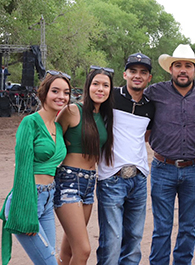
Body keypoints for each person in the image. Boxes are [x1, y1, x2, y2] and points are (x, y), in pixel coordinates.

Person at [144, 44, 195, 264]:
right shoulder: (154, 92)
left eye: (188, 66)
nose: (183, 70)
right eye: (178, 65)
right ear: (170, 69)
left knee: (188, 228)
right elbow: (129, 103)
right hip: (163, 167)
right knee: (162, 228)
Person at [1, 71, 71, 264]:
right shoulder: (29, 122)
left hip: (48, 199)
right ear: (44, 93)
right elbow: (22, 168)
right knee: (49, 262)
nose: (61, 96)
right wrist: (26, 210)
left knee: (50, 259)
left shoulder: (57, 126)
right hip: (27, 199)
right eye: (55, 91)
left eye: (66, 92)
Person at [96, 53, 155, 264]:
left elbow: (145, 136)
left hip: (138, 179)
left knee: (134, 239)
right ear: (125, 74)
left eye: (143, 72)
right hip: (111, 177)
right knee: (111, 240)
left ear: (149, 78)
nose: (137, 76)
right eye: (133, 71)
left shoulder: (150, 105)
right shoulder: (109, 96)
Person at [54, 66, 114, 264]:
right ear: (88, 86)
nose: (100, 89)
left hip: (89, 183)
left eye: (105, 85)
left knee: (69, 249)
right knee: (84, 250)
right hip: (68, 181)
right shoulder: (72, 111)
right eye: (96, 84)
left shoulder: (104, 117)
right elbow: (52, 139)